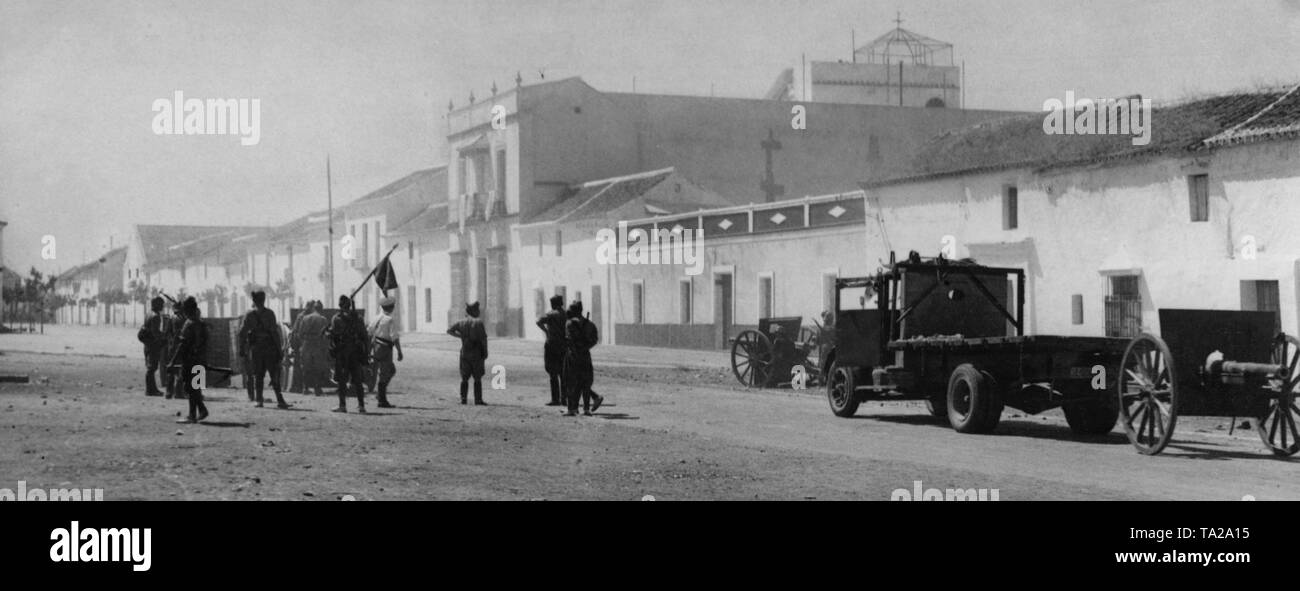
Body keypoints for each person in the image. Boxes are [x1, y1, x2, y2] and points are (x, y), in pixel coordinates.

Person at [239, 290, 290, 409]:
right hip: (269, 348)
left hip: (256, 349)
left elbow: (242, 333)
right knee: (274, 374)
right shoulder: (270, 314)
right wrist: (279, 349)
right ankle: (280, 400)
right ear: (263, 300)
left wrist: (242, 347)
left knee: (258, 374)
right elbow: (275, 333)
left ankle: (259, 400)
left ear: (254, 301)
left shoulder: (249, 315)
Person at [168, 297, 209, 424]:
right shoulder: (202, 324)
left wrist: (173, 362)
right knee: (196, 388)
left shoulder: (188, 324)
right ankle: (200, 411)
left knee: (190, 388)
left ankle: (194, 414)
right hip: (201, 359)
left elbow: (182, 344)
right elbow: (206, 342)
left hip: (190, 360)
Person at [327, 295, 369, 413]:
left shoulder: (337, 318)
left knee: (341, 380)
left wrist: (329, 334)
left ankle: (342, 405)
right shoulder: (358, 318)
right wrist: (365, 353)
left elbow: (333, 336)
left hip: (342, 352)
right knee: (358, 379)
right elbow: (364, 337)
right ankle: (361, 406)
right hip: (355, 352)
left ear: (340, 305)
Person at [562, 301, 603, 416]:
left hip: (572, 356)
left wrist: (575, 350)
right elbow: (595, 339)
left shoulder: (569, 323)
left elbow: (569, 340)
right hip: (585, 355)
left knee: (570, 381)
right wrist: (585, 347)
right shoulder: (590, 324)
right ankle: (586, 409)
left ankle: (571, 409)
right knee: (585, 382)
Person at [447, 301, 488, 405]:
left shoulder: (461, 322)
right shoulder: (478, 322)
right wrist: (485, 352)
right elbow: (483, 339)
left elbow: (449, 330)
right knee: (477, 378)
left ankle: (463, 399)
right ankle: (478, 400)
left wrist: (461, 336)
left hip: (465, 352)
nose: (478, 312)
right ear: (473, 311)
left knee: (464, 377)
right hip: (477, 353)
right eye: (477, 310)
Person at [368, 294, 401, 409]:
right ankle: (381, 399)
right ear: (391, 307)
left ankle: (380, 395)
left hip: (376, 346)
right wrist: (400, 351)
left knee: (387, 371)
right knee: (387, 372)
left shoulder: (377, 317)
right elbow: (394, 337)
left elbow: (369, 331)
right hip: (385, 348)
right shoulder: (390, 319)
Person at [535, 294, 566, 406]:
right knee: (563, 374)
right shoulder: (566, 314)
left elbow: (538, 321)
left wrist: (546, 331)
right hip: (563, 346)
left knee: (552, 373)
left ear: (553, 303)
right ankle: (564, 398)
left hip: (552, 345)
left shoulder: (551, 314)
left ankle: (555, 399)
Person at [295, 300, 331, 396]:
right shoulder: (323, 319)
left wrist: (304, 342)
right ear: (321, 309)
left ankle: (305, 388)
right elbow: (326, 335)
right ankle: (317, 389)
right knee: (318, 368)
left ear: (314, 308)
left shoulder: (305, 318)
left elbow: (300, 333)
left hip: (306, 344)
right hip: (317, 344)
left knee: (306, 367)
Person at [139, 296, 167, 396]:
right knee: (152, 368)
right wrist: (163, 338)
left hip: (147, 344)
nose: (163, 306)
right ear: (157, 304)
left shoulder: (148, 314)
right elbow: (155, 332)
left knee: (150, 367)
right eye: (161, 304)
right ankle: (150, 390)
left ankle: (152, 389)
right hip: (153, 345)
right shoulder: (156, 316)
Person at [163, 299, 185, 399]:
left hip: (172, 346)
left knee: (170, 370)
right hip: (181, 346)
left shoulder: (171, 318)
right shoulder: (184, 319)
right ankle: (178, 392)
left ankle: (169, 392)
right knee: (181, 368)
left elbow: (167, 332)